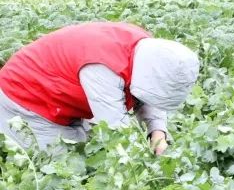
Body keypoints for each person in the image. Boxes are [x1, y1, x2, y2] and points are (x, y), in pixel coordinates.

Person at [0, 21, 199, 154]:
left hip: (62, 97)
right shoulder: (101, 68)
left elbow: (151, 94)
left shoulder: (148, 50)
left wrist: (158, 133)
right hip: (24, 101)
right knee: (66, 165)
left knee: (89, 148)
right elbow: (115, 129)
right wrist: (146, 163)